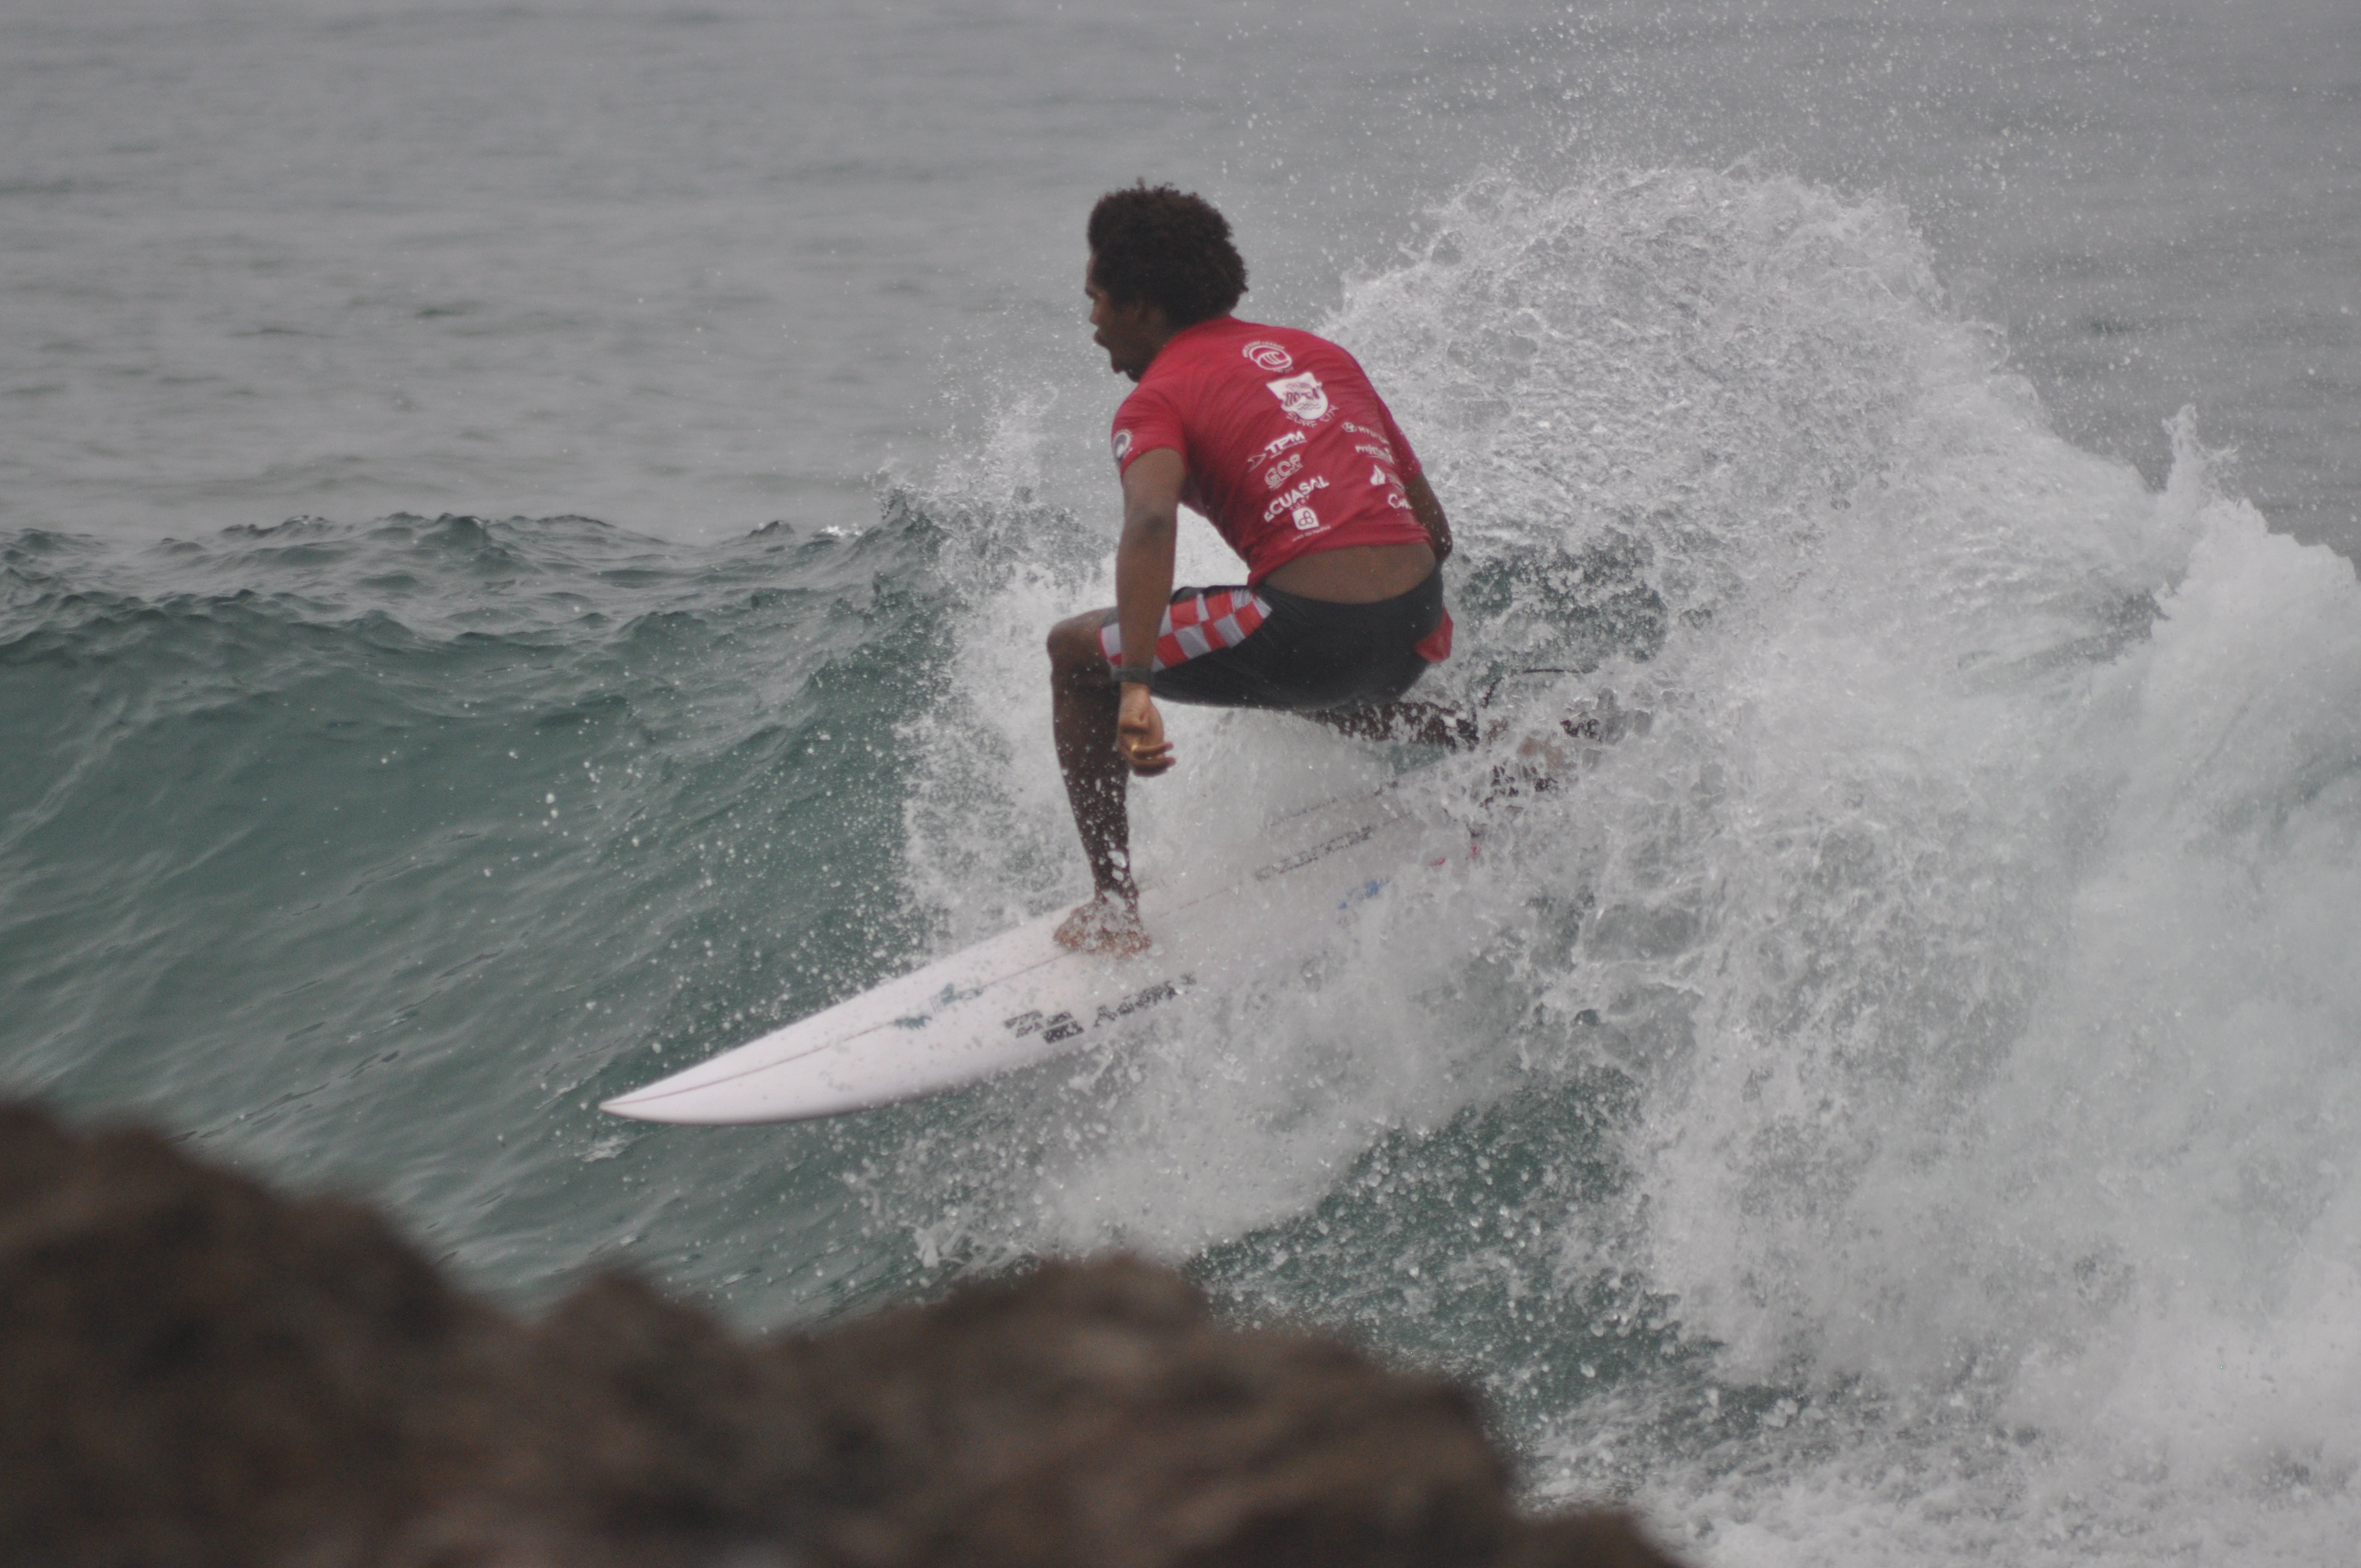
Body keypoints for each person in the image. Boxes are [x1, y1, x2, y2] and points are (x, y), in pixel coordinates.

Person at [1048, 183, 1462, 955]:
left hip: (1313, 631)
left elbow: (1149, 518)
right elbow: (1433, 530)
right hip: (1413, 616)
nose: (1095, 325)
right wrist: (1384, 619)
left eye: (1098, 300)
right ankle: (1491, 739)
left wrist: (1134, 683)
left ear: (1140, 302)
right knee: (1297, 667)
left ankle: (1113, 908)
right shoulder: (1321, 355)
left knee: (1075, 657)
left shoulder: (1157, 400)